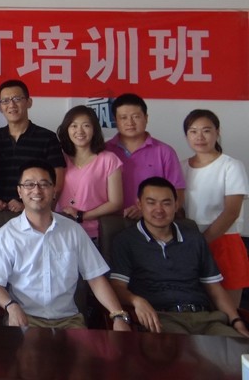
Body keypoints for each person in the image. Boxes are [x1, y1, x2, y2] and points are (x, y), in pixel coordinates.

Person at [0, 160, 130, 330]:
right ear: (19, 191)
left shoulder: (73, 230)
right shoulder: (7, 234)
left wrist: (118, 315)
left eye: (44, 184)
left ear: (54, 191)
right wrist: (11, 306)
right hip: (25, 318)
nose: (37, 190)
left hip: (69, 321)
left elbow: (95, 278)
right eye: (29, 184)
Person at [109, 177, 249, 337]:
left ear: (176, 205)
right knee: (184, 350)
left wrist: (237, 322)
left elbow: (214, 288)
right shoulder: (126, 240)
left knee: (239, 347)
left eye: (166, 203)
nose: (159, 209)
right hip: (162, 318)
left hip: (206, 318)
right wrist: (136, 300)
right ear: (139, 205)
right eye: (151, 203)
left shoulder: (194, 238)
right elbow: (117, 287)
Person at [180, 110, 249, 307]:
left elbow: (231, 212)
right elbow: (177, 207)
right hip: (189, 243)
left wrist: (202, 242)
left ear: (217, 132)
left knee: (229, 312)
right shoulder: (181, 166)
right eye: (193, 131)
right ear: (187, 135)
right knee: (196, 310)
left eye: (206, 130)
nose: (199, 137)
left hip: (224, 242)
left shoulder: (231, 166)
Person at [0, 80, 65, 214]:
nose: (11, 105)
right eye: (5, 101)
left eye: (17, 99)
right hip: (0, 212)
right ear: (0, 107)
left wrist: (31, 207)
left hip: (35, 213)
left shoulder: (47, 137)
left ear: (29, 102)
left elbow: (57, 181)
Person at [104, 93, 185, 219]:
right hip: (111, 222)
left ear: (146, 118)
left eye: (136, 117)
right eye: (123, 117)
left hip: (153, 222)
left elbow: (178, 194)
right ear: (115, 120)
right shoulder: (104, 151)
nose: (130, 122)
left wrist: (146, 210)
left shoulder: (165, 152)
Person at [55, 105, 123, 240]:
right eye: (74, 126)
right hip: (60, 232)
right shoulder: (59, 158)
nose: (79, 131)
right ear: (66, 129)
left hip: (93, 234)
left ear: (94, 129)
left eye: (86, 125)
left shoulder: (109, 159)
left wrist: (82, 215)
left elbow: (116, 202)